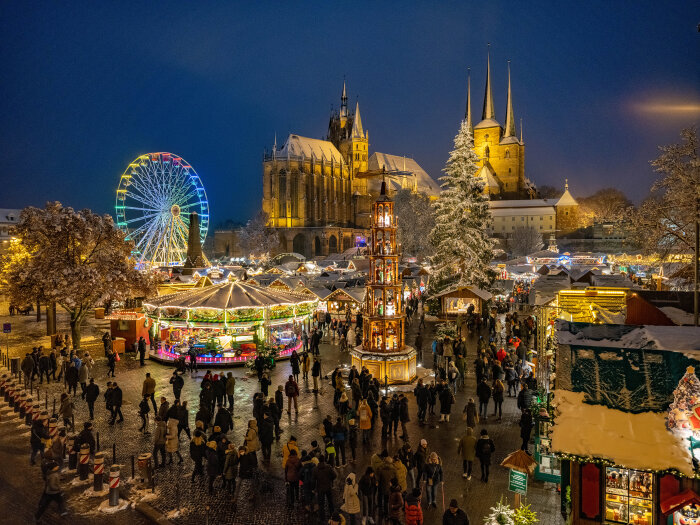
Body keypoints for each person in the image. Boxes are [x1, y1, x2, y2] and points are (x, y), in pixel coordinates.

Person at [314, 455, 337, 522]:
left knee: (321, 504)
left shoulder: (315, 469)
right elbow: (335, 475)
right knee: (330, 502)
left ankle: (322, 518)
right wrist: (330, 480)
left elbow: (313, 478)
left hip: (320, 488)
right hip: (328, 487)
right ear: (324, 460)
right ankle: (332, 515)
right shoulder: (329, 467)